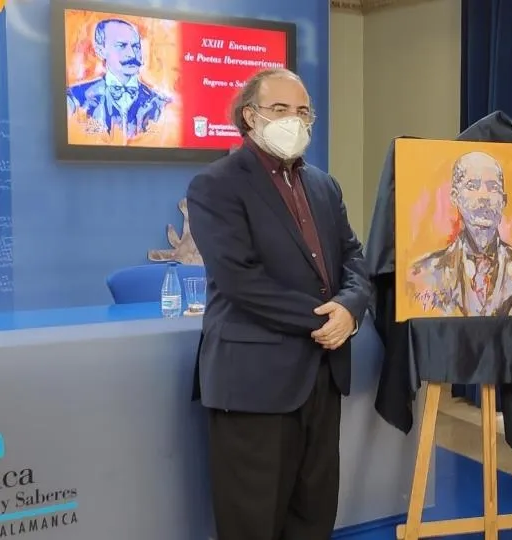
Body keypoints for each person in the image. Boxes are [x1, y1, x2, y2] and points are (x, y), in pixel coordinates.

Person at [187, 68, 370, 540]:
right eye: (281, 109)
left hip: (322, 378)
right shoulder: (217, 185)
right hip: (253, 383)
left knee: (313, 514)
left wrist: (349, 309)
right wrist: (324, 318)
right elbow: (237, 278)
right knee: (253, 521)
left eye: (303, 111)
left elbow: (353, 256)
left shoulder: (324, 186)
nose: (296, 119)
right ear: (250, 117)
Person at [406, 151, 512, 316]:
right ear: (455, 197)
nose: (484, 196)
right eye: (472, 186)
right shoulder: (423, 275)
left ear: (503, 201)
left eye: (493, 188)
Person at [66, 18, 168, 138]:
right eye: (121, 46)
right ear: (100, 51)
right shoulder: (75, 99)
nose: (132, 54)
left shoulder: (160, 104)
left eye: (136, 46)